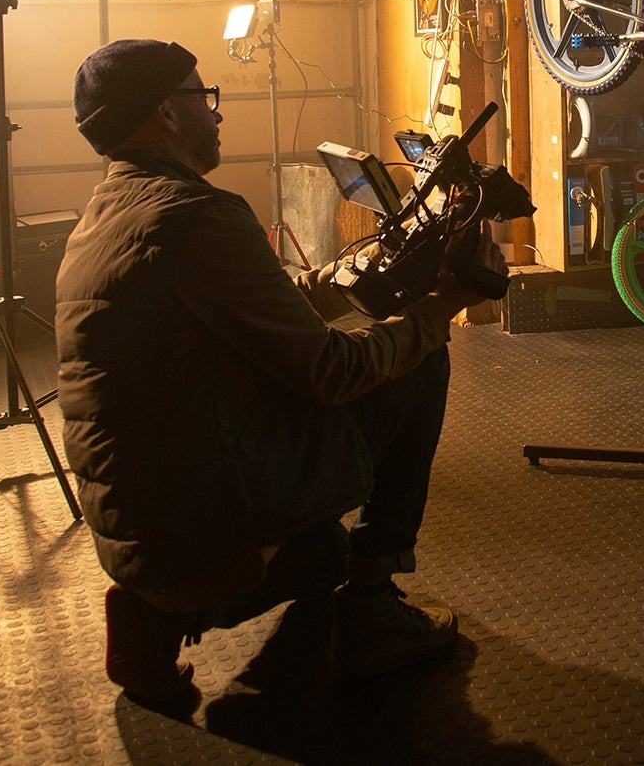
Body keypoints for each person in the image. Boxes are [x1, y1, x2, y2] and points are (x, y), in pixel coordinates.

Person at [54, 38, 504, 710]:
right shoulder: (196, 217)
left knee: (372, 360)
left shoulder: (107, 215)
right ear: (165, 116)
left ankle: (155, 614)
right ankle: (373, 606)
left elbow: (268, 301)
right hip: (205, 537)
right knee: (417, 363)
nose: (216, 114)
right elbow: (328, 370)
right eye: (202, 97)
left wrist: (363, 268)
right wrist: (440, 309)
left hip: (145, 532)